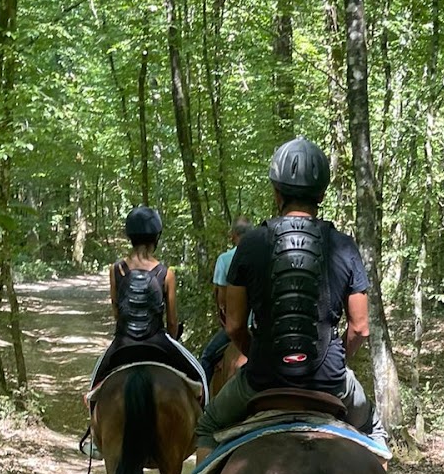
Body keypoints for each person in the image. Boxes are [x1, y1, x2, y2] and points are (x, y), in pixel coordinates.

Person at [194, 137, 384, 453]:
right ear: (322, 193)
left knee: (206, 428)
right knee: (375, 432)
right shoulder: (344, 246)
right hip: (330, 378)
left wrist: (257, 356)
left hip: (262, 378)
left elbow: (234, 325)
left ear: (276, 192)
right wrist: (335, 363)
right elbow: (360, 327)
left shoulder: (250, 244)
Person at [87, 205, 208, 400]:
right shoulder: (166, 273)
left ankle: (92, 425)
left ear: (130, 236)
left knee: (94, 388)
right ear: (156, 237)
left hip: (123, 342)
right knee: (200, 377)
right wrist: (173, 337)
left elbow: (117, 312)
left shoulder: (115, 270)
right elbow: (172, 322)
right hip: (157, 341)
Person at [199, 216, 252, 387]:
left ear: (233, 235)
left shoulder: (224, 259)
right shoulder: (263, 258)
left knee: (207, 357)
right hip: (261, 328)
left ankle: (203, 402)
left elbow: (221, 300)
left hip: (237, 328)